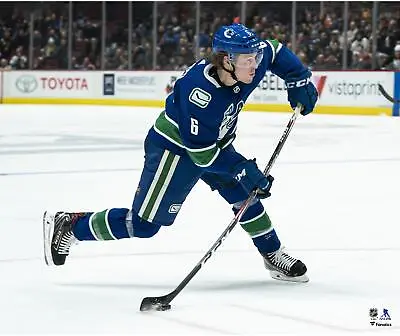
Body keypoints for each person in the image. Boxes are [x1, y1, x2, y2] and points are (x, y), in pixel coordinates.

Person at [43, 23, 318, 283]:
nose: (256, 64)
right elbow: (202, 157)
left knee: (245, 195)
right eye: (248, 59)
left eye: (254, 57)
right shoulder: (200, 95)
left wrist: (298, 79)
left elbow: (275, 50)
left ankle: (272, 253)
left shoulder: (244, 65)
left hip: (214, 145)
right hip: (174, 151)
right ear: (226, 61)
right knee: (144, 226)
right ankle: (72, 226)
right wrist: (241, 168)